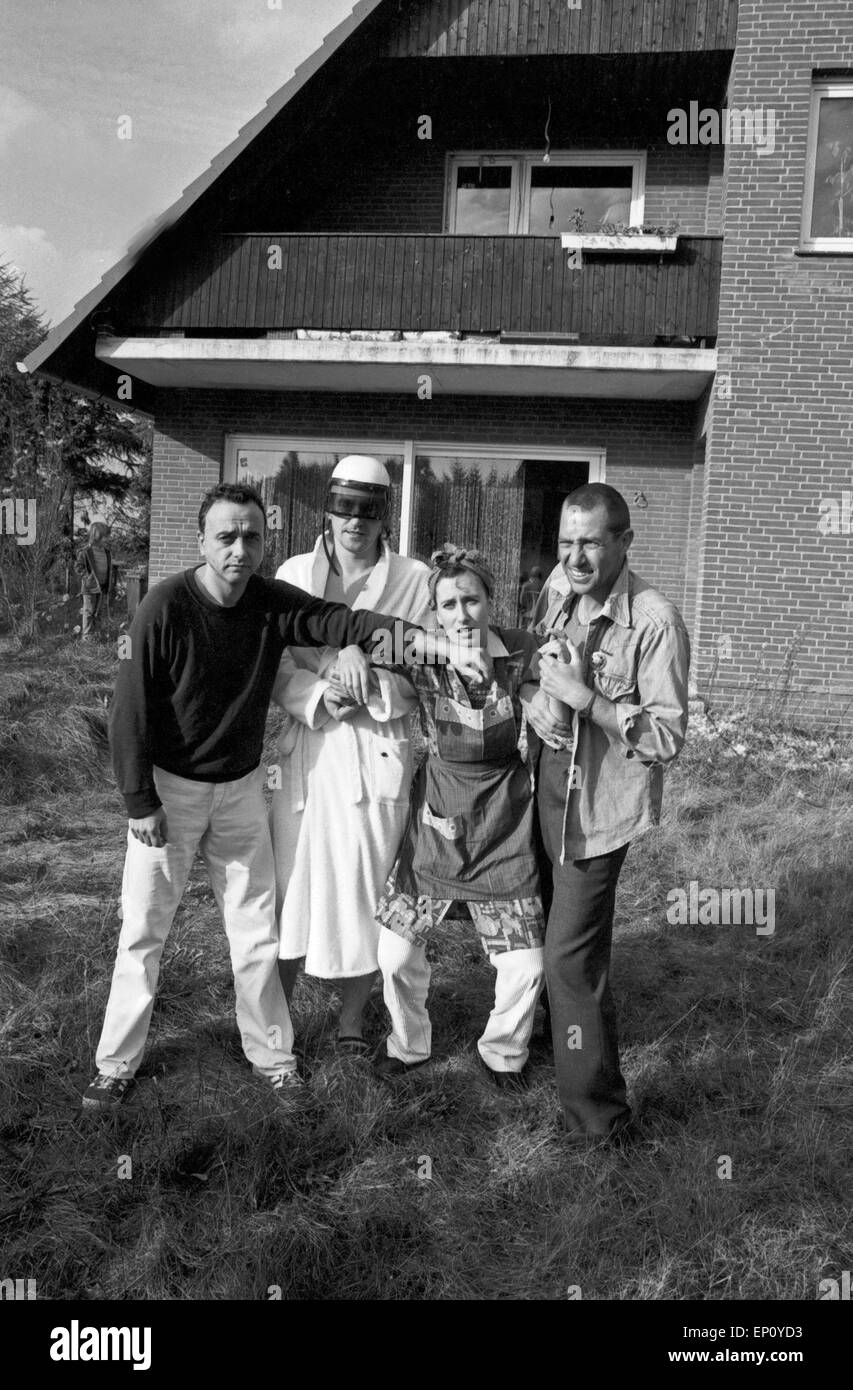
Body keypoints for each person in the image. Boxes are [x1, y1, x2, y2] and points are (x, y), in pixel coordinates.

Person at [82, 482, 484, 1111]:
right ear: (201, 541)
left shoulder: (269, 602)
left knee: (255, 937)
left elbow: (350, 624)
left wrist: (438, 646)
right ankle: (115, 1065)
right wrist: (140, 804)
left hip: (242, 790)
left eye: (250, 537)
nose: (239, 549)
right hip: (172, 792)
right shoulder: (163, 608)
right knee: (143, 931)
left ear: (263, 542)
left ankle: (273, 1057)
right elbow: (128, 713)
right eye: (226, 537)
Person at [523, 483, 690, 1143]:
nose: (575, 556)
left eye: (589, 542)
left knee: (570, 957)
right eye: (566, 543)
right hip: (546, 788)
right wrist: (538, 694)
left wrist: (584, 699)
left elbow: (666, 738)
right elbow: (537, 668)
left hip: (599, 809)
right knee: (547, 933)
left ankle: (599, 1119)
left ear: (622, 541)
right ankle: (551, 1041)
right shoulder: (555, 593)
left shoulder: (653, 620)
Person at [270, 457, 430, 1053]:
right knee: (289, 885)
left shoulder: (414, 579)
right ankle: (276, 1012)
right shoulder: (290, 571)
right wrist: (319, 688)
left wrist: (366, 669)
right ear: (326, 508)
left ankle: (352, 1020)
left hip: (376, 749)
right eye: (344, 506)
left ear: (384, 515)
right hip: (308, 747)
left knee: (369, 884)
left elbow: (427, 662)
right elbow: (278, 660)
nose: (354, 521)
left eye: (368, 509)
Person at [373, 545, 546, 1091]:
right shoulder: (421, 651)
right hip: (438, 818)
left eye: (471, 600)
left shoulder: (519, 649)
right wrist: (361, 659)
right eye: (447, 604)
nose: (460, 614)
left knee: (527, 964)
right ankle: (408, 1044)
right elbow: (372, 639)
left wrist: (535, 686)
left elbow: (551, 674)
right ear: (435, 611)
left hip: (504, 820)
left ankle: (503, 1053)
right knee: (395, 953)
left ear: (491, 602)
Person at [75, 521, 115, 639]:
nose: (108, 539)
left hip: (102, 586)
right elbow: (78, 567)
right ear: (97, 536)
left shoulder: (107, 552)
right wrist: (87, 578)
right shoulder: (86, 552)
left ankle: (97, 634)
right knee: (89, 611)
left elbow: (107, 566)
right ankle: (87, 636)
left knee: (99, 611)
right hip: (90, 587)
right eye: (105, 536)